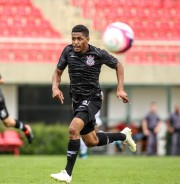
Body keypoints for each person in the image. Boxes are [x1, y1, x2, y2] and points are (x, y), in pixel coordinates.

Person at [50, 25, 136, 183]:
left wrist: (120, 89)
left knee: (73, 129)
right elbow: (58, 72)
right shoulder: (67, 51)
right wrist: (55, 87)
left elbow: (119, 65)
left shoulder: (97, 53)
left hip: (93, 98)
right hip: (76, 100)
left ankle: (67, 173)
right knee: (91, 141)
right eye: (73, 39)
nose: (75, 42)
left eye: (79, 39)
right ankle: (123, 135)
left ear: (87, 40)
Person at [79, 91, 103, 159]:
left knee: (87, 135)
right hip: (91, 117)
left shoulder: (97, 91)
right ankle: (115, 140)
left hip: (92, 118)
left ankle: (83, 153)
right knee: (92, 136)